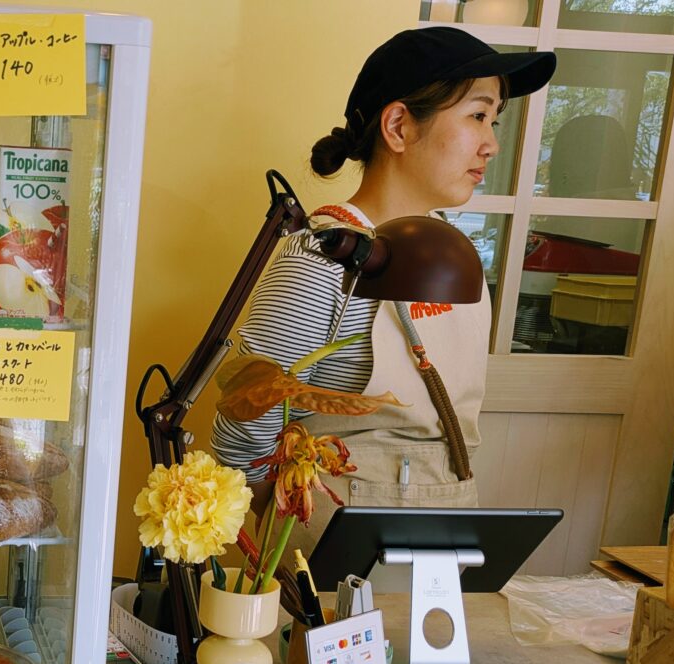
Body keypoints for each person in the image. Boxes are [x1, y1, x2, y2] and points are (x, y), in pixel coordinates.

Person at [211, 28, 556, 554]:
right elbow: (243, 433)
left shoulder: (454, 261)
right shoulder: (320, 263)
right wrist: (293, 538)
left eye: (494, 121)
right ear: (398, 126)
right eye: (477, 116)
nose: (491, 144)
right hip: (332, 558)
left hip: (447, 537)